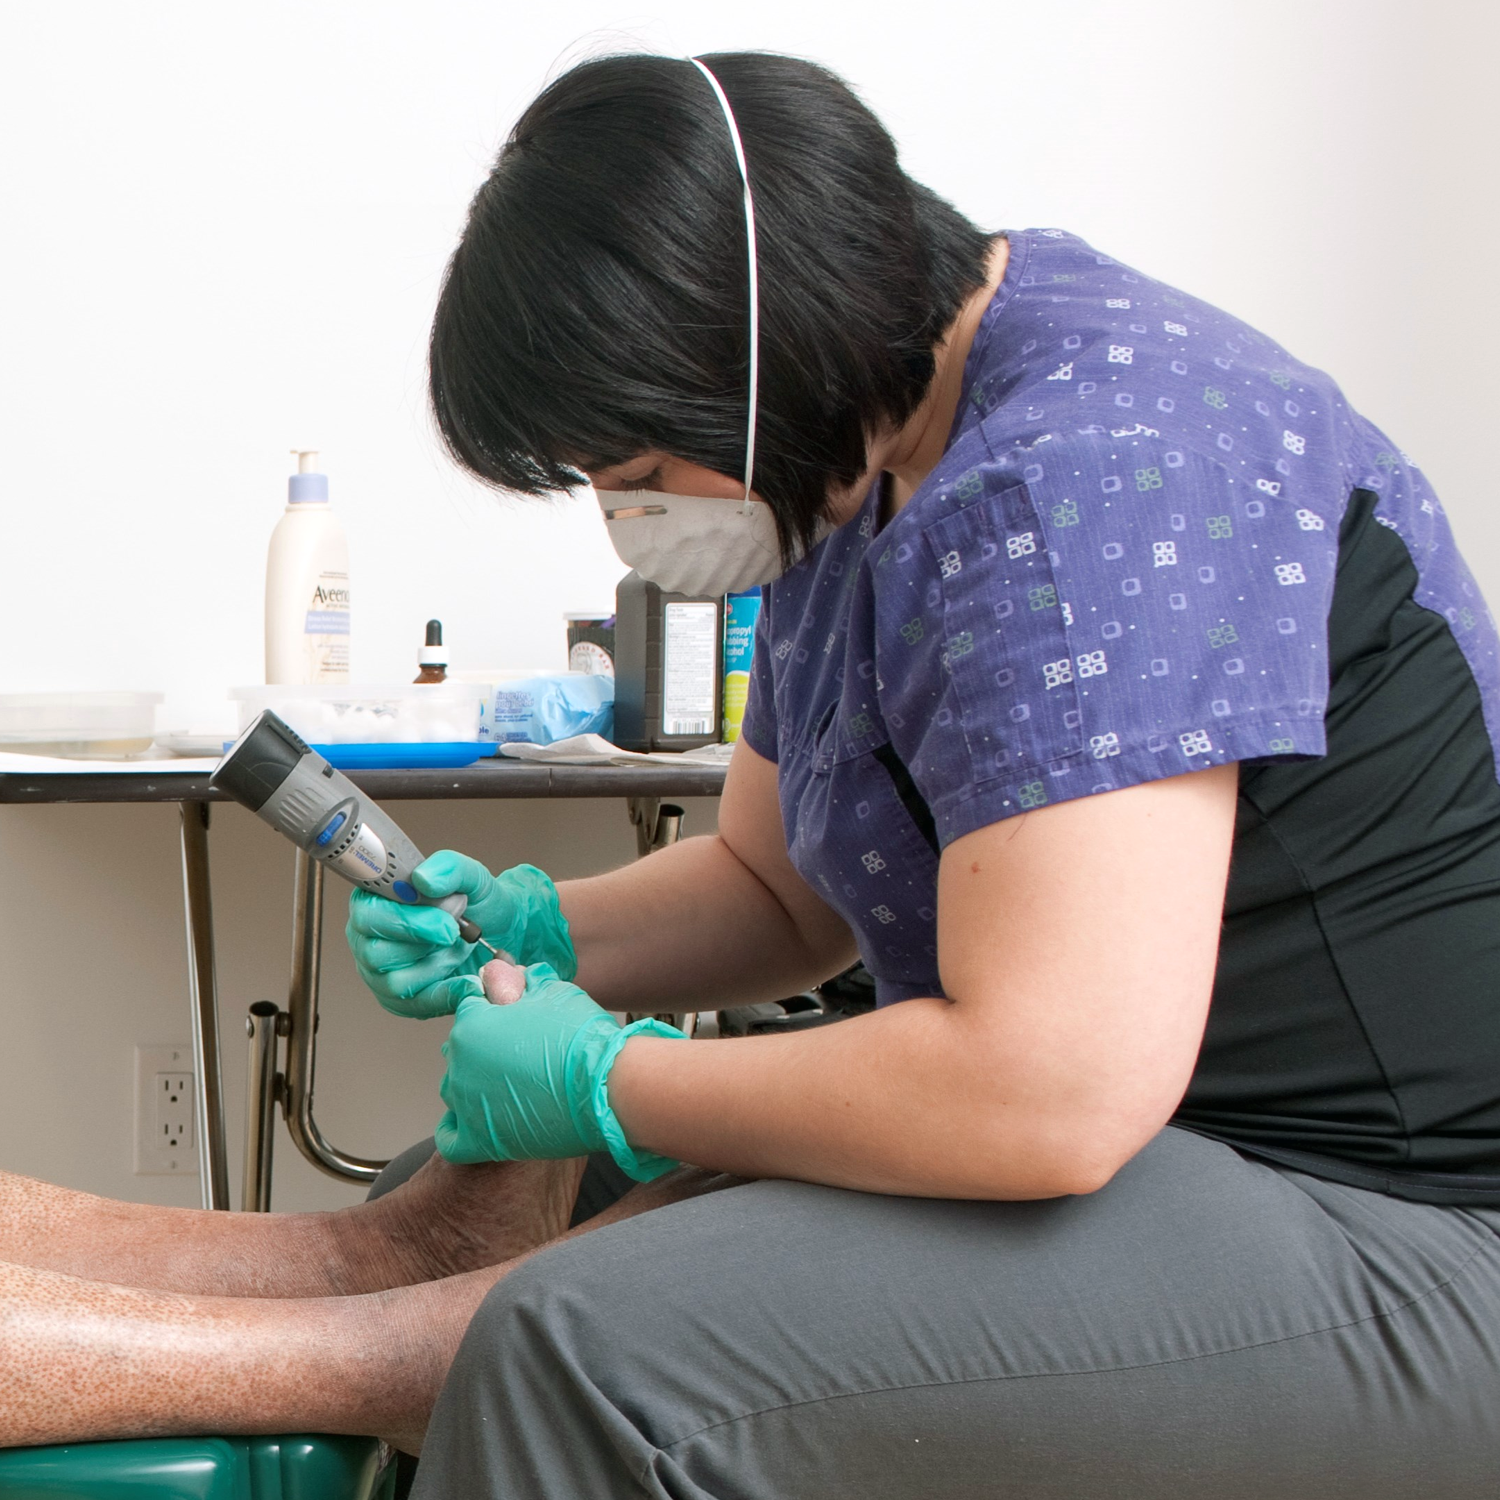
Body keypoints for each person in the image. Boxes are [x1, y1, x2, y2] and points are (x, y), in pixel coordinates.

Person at [345, 49, 1500, 1498]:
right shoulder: (860, 465)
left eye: (634, 461)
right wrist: (542, 931)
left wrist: (611, 1076)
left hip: (1399, 1222)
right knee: (451, 1210)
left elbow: (1045, 1087)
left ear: (751, 362)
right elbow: (781, 893)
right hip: (1155, 1159)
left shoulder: (1086, 472)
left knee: (574, 1351)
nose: (623, 518)